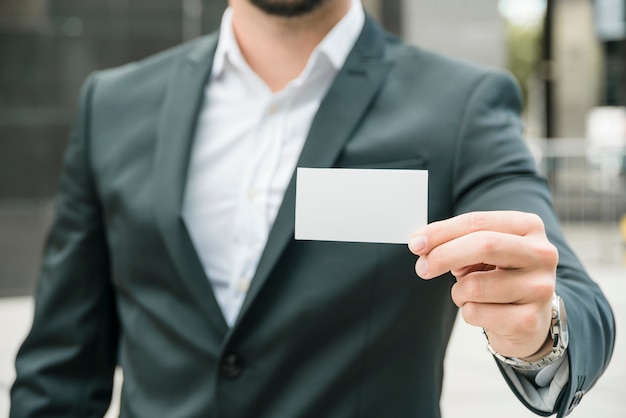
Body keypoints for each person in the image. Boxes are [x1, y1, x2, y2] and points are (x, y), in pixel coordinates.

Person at [10, 0, 615, 417]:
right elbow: (60, 368)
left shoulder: (462, 107)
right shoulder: (112, 105)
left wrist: (538, 328)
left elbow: (571, 297)